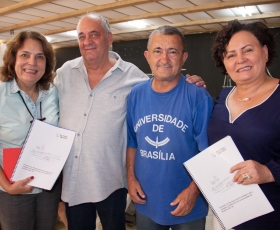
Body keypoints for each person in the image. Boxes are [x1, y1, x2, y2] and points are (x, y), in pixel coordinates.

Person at [55, 13, 205, 230]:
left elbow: (164, 84)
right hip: (74, 180)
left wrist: (191, 83)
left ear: (109, 38)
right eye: (81, 36)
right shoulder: (64, 73)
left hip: (112, 182)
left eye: (94, 35)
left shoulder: (133, 77)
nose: (87, 41)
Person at [126, 25, 213, 230]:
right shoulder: (136, 95)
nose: (164, 59)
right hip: (146, 201)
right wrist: (130, 178)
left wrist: (194, 191)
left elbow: (209, 153)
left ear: (183, 58)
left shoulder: (198, 97)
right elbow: (132, 142)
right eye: (158, 50)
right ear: (147, 56)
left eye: (172, 51)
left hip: (188, 205)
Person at [209, 19, 280, 230]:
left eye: (247, 50)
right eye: (231, 55)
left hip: (269, 218)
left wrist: (269, 172)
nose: (240, 59)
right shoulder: (223, 96)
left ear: (265, 52)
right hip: (225, 213)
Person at [0, 31, 61, 230]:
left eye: (39, 56)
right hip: (13, 191)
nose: (32, 62)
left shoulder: (53, 92)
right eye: (25, 55)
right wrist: (8, 187)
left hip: (48, 189)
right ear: (13, 58)